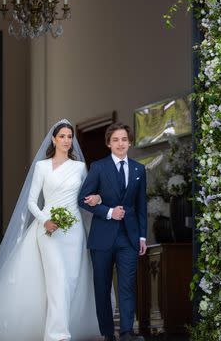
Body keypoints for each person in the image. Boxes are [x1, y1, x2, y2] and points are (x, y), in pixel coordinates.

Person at [0, 120, 101, 341]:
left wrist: (97, 198)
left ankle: (61, 327)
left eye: (69, 137)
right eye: (61, 136)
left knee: (70, 281)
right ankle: (57, 335)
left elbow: (85, 198)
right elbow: (32, 202)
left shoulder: (80, 167)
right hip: (47, 228)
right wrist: (45, 220)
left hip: (73, 230)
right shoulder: (42, 166)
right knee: (57, 279)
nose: (66, 140)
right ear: (54, 139)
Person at [78, 122, 147, 341]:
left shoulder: (139, 169)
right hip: (102, 237)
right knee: (102, 287)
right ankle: (108, 333)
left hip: (129, 237)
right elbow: (83, 199)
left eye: (124, 139)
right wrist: (108, 212)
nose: (120, 144)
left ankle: (126, 332)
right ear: (108, 143)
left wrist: (142, 236)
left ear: (130, 142)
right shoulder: (98, 167)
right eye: (116, 140)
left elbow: (141, 206)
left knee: (127, 286)